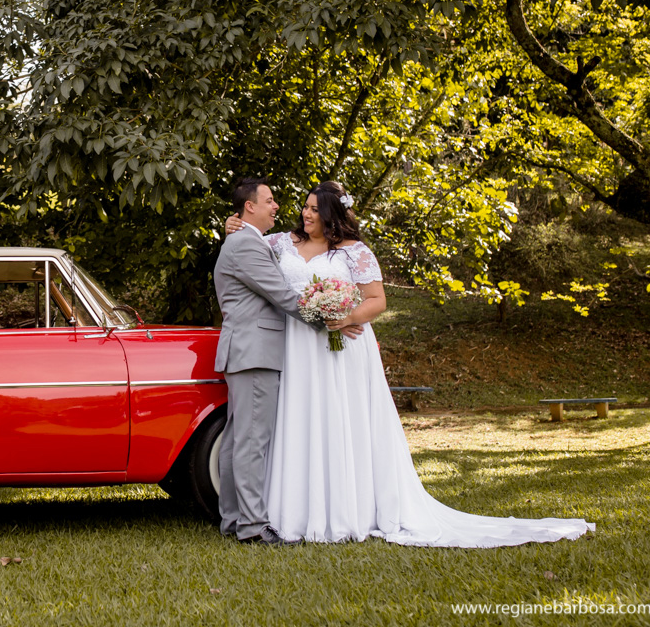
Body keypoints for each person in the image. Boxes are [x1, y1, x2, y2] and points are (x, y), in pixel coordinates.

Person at [223, 180, 594, 546]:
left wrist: (347, 316)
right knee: (298, 423)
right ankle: (289, 509)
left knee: (340, 422)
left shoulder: (355, 252)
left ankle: (344, 508)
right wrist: (234, 223)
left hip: (342, 347)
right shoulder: (280, 243)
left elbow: (376, 301)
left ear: (332, 215)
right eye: (304, 207)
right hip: (297, 349)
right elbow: (247, 246)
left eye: (314, 209)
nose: (305, 213)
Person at [212, 178, 360, 545]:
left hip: (247, 350)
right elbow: (281, 294)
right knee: (251, 441)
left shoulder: (248, 239)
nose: (277, 206)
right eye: (270, 200)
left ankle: (233, 518)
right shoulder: (246, 244)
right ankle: (251, 527)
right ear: (250, 207)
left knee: (236, 440)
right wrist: (328, 320)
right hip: (255, 351)